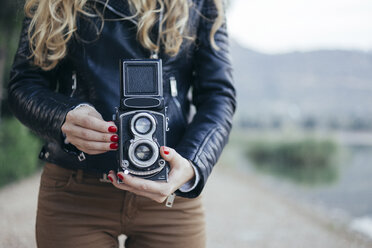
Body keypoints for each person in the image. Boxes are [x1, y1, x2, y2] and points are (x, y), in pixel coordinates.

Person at [8, 0, 236, 247]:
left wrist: (192, 163)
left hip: (170, 192)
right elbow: (25, 83)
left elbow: (218, 95)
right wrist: (64, 116)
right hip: (75, 191)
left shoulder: (202, 3)